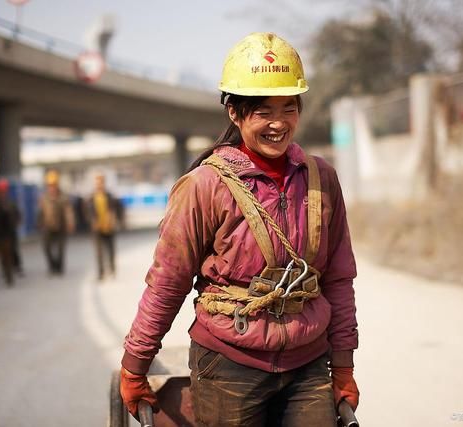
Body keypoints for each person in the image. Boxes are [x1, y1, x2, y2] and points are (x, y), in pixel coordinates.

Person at [119, 33, 359, 426]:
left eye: (289, 108)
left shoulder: (321, 179)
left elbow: (337, 279)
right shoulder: (203, 186)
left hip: (309, 364)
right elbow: (167, 282)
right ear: (234, 112)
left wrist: (344, 365)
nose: (279, 123)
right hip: (228, 366)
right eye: (263, 111)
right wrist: (135, 365)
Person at [86, 173, 124, 280]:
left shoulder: (110, 196)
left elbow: (116, 209)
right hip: (97, 228)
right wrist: (92, 222)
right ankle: (101, 272)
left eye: (101, 182)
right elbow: (88, 212)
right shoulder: (91, 197)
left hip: (109, 227)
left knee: (111, 249)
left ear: (104, 183)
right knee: (99, 252)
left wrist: (114, 220)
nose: (99, 185)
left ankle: (112, 269)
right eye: (97, 183)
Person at [37, 170, 75, 275]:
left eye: (53, 185)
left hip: (61, 227)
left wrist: (70, 223)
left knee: (60, 249)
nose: (52, 187)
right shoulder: (44, 198)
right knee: (46, 248)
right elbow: (40, 212)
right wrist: (39, 224)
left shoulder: (63, 197)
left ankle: (59, 268)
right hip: (47, 227)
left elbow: (68, 211)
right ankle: (52, 267)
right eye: (50, 185)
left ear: (57, 185)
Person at [0, 178, 24, 276]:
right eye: (1, 190)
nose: (2, 192)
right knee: (2, 252)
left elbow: (18, 215)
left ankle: (17, 267)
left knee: (13, 250)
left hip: (10, 231)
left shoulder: (11, 203)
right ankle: (6, 269)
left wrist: (16, 223)